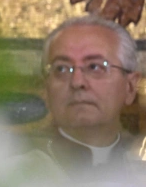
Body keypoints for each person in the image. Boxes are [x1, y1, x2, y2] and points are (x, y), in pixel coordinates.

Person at [26, 15, 146, 182]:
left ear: (130, 87)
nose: (77, 82)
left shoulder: (141, 163)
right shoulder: (8, 169)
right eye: (61, 68)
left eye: (95, 67)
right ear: (46, 88)